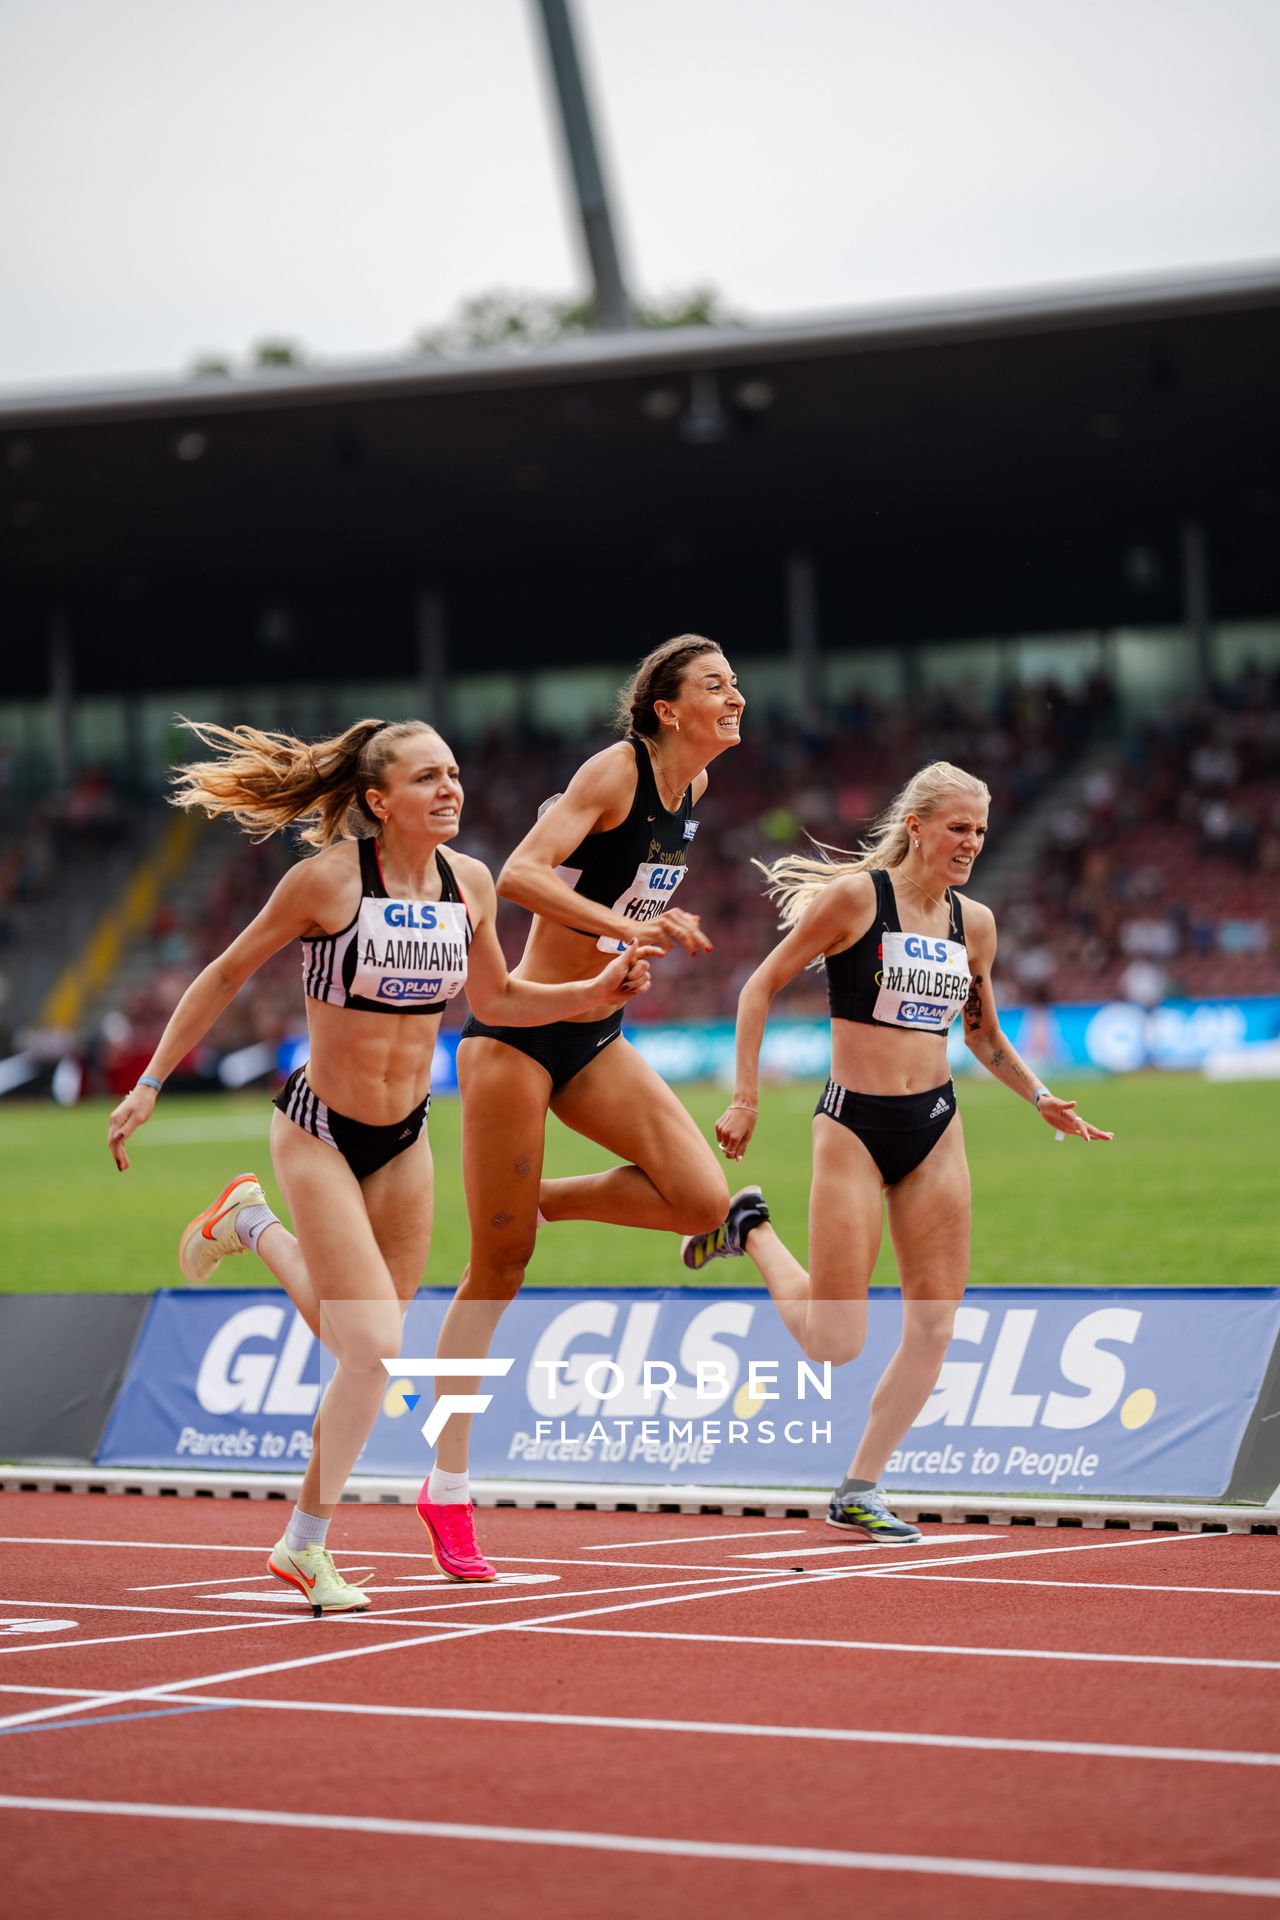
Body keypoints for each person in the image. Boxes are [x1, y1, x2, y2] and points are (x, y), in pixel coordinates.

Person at [107, 716, 653, 1613]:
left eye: (454, 772)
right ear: (377, 800)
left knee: (362, 1349)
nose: (449, 790)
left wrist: (594, 990)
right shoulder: (325, 882)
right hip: (319, 1130)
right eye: (426, 779)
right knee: (373, 1347)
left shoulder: (469, 882)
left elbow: (499, 997)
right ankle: (303, 1547)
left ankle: (246, 1221)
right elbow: (224, 972)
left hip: (405, 1141)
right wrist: (151, 1083)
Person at [680, 760, 1113, 1541]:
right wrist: (744, 1100)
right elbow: (757, 988)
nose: (971, 843)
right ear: (915, 826)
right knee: (835, 1342)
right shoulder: (857, 900)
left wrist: (1040, 1095)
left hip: (935, 1127)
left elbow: (980, 1032)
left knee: (935, 1327)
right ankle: (752, 1230)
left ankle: (859, 1487)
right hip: (853, 1128)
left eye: (980, 831)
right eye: (957, 827)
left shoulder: (972, 923)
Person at [429, 634, 744, 1573]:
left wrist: (634, 934)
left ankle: (548, 1196)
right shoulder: (618, 770)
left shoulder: (695, 791)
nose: (737, 697)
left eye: (735, 683)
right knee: (499, 1269)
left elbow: (609, 887)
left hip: (593, 1036)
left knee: (703, 1205)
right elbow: (518, 874)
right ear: (666, 709)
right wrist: (628, 931)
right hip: (518, 1033)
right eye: (716, 686)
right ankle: (446, 1490)